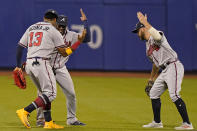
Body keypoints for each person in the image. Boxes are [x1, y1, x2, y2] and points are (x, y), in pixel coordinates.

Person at [15, 9, 86, 129]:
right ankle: (26, 111)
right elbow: (64, 53)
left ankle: (48, 122)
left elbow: (20, 47)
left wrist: (17, 66)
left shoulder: (32, 27)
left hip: (29, 63)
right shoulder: (53, 30)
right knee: (51, 93)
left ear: (44, 17)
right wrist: (77, 43)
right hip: (42, 63)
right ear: (54, 20)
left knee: (45, 92)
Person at [132, 12, 194, 130]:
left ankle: (187, 123)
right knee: (153, 94)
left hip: (173, 65)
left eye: (137, 31)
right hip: (164, 70)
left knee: (174, 95)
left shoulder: (156, 35)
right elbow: (156, 64)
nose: (137, 34)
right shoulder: (147, 47)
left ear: (143, 29)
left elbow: (157, 36)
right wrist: (151, 79)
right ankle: (157, 122)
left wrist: (144, 22)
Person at [36, 8, 90, 126]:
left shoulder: (71, 35)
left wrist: (86, 23)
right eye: (60, 25)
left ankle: (71, 119)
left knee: (71, 94)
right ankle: (40, 119)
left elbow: (87, 39)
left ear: (66, 25)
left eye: (63, 25)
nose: (61, 27)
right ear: (56, 23)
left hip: (61, 68)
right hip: (46, 67)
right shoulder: (49, 33)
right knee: (43, 94)